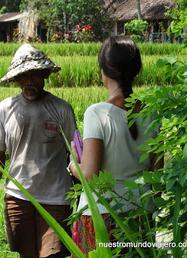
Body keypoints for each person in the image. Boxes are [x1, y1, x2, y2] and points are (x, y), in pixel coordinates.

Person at [68, 36, 162, 255]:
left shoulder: (97, 113)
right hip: (141, 215)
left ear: (104, 70)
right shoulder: (152, 113)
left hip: (102, 215)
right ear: (135, 71)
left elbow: (90, 175)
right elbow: (157, 173)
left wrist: (73, 162)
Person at [0, 43, 77, 258]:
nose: (29, 81)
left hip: (56, 198)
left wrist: (82, 193)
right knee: (26, 254)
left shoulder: (62, 109)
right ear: (16, 78)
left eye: (34, 75)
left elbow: (76, 152)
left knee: (52, 254)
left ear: (44, 75)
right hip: (18, 196)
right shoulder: (5, 109)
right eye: (24, 76)